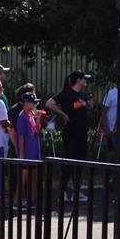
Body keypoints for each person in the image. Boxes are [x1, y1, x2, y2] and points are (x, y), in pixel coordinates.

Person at [45, 70, 92, 202]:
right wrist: (63, 114)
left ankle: (78, 191)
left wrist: (87, 104)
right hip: (71, 132)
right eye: (84, 78)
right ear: (78, 80)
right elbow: (49, 103)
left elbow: (81, 106)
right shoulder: (66, 93)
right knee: (69, 161)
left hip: (82, 131)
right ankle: (63, 192)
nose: (86, 81)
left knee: (80, 161)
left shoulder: (82, 95)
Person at [15, 92, 42, 208]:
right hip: (26, 152)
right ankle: (17, 202)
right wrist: (21, 154)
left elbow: (36, 131)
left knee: (34, 177)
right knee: (22, 179)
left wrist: (39, 119)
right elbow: (20, 136)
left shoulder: (31, 114)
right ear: (26, 103)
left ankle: (32, 201)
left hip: (34, 151)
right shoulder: (22, 116)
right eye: (33, 102)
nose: (35, 104)